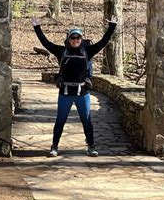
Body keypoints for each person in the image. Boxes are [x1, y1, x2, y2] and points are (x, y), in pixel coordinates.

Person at [31, 16, 117, 157]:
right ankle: (54, 147)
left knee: (86, 120)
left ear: (81, 39)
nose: (75, 41)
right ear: (68, 39)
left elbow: (103, 42)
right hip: (65, 93)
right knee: (60, 120)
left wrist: (112, 26)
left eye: (78, 38)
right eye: (73, 38)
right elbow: (46, 43)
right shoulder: (61, 51)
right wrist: (37, 27)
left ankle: (91, 146)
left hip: (82, 94)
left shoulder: (87, 51)